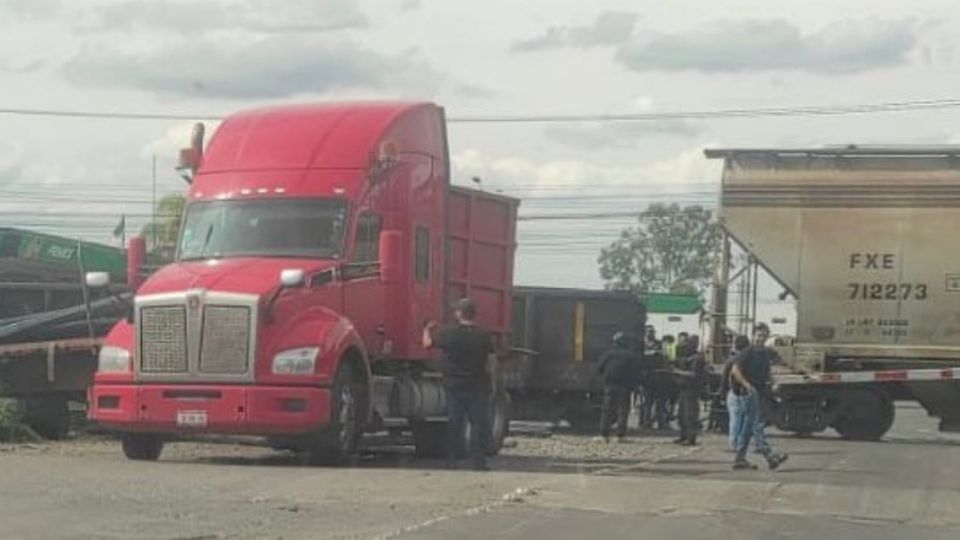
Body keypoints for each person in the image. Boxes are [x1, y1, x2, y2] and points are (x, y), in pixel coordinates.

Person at [422, 298, 497, 471]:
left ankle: (451, 461)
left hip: (453, 385)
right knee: (477, 423)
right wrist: (492, 382)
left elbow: (427, 344)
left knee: (454, 422)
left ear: (458, 313)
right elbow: (491, 361)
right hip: (477, 385)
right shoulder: (483, 335)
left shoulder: (449, 333)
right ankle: (479, 462)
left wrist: (426, 329)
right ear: (474, 314)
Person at [729, 323, 789, 471]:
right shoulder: (749, 351)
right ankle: (770, 456)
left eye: (763, 336)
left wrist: (773, 382)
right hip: (749, 393)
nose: (760, 338)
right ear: (753, 335)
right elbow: (735, 370)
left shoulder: (765, 353)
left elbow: (767, 371)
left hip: (760, 391)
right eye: (758, 335)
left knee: (749, 428)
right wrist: (748, 386)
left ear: (767, 336)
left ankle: (740, 459)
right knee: (756, 425)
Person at [597, 331, 637, 442]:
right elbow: (635, 372)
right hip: (625, 387)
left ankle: (604, 435)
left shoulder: (609, 354)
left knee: (607, 411)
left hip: (610, 386)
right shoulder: (630, 355)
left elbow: (600, 368)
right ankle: (620, 436)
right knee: (623, 411)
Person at [674, 335, 706, 445]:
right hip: (683, 388)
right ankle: (683, 435)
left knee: (690, 415)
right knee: (681, 415)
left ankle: (690, 438)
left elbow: (693, 374)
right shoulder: (687, 357)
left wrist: (677, 371)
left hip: (692, 389)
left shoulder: (698, 358)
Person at [722, 335, 752, 451]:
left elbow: (724, 378)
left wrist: (722, 392)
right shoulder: (750, 359)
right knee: (745, 420)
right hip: (747, 391)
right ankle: (741, 442)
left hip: (734, 391)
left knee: (735, 419)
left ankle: (734, 443)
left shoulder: (732, 360)